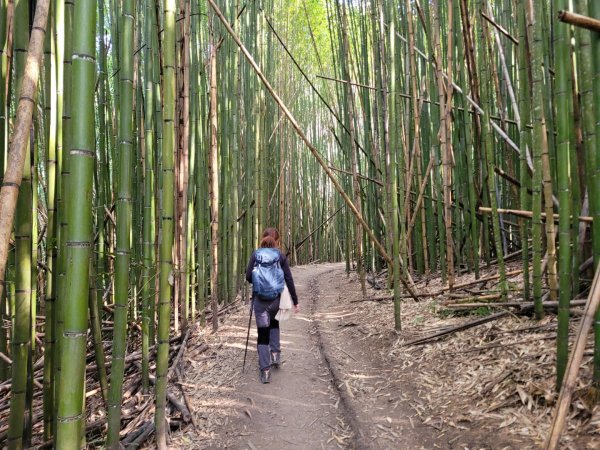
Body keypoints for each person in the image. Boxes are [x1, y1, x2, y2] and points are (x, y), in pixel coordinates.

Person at [246, 227, 299, 383]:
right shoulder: (280, 256)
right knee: (274, 323)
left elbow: (248, 276)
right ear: (277, 241)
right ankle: (275, 354)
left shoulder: (256, 255)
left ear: (263, 239)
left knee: (263, 334)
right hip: (276, 299)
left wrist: (259, 283)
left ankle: (266, 370)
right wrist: (295, 301)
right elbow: (289, 280)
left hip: (260, 301)